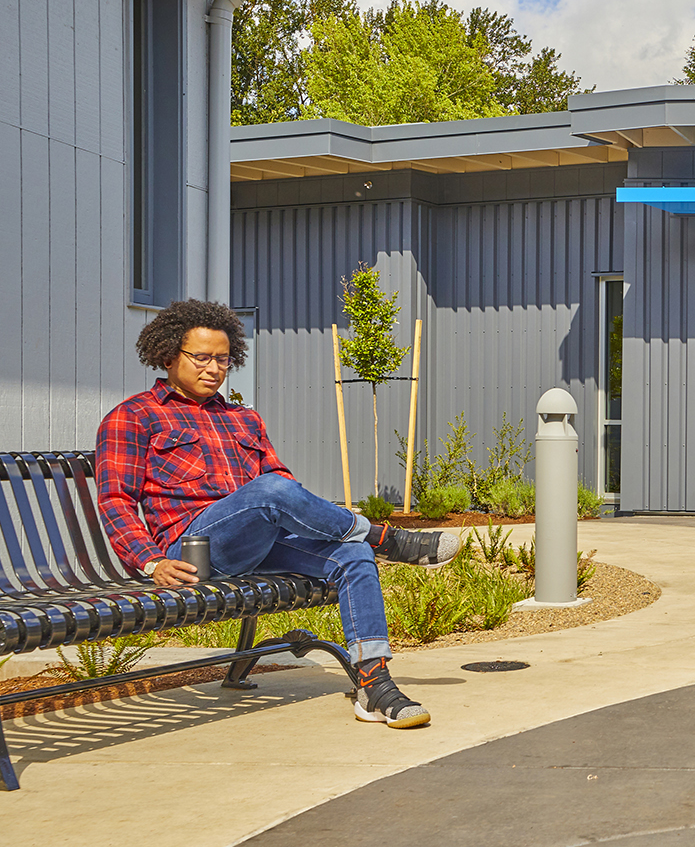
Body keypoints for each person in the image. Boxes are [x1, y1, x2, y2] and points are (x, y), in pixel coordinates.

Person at [95, 299, 459, 728]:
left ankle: (374, 685)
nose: (213, 368)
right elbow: (115, 499)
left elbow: (283, 487)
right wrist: (150, 560)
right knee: (271, 493)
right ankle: (384, 538)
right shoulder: (133, 417)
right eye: (201, 357)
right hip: (194, 551)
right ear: (168, 355)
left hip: (258, 542)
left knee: (351, 556)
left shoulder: (243, 419)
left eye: (223, 359)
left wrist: (295, 510)